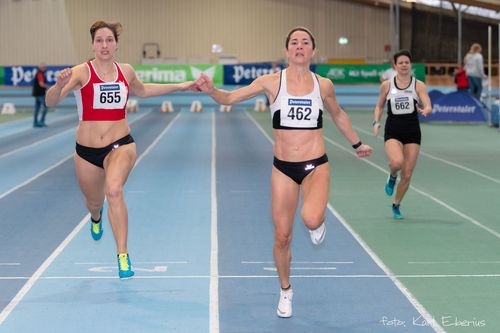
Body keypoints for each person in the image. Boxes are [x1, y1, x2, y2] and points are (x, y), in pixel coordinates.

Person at [196, 27, 372, 318]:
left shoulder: (323, 85)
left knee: (311, 217)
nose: (300, 46)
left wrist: (356, 143)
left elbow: (338, 113)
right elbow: (229, 99)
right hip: (283, 169)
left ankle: (317, 224)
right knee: (282, 236)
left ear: (312, 50)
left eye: (305, 43)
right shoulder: (271, 82)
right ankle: (286, 291)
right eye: (294, 43)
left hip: (316, 165)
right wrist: (211, 90)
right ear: (287, 50)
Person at [46, 21, 197, 280]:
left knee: (114, 191)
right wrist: (59, 86)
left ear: (116, 43)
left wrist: (181, 86)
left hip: (120, 144)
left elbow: (145, 90)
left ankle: (123, 254)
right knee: (94, 202)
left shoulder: (125, 71)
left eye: (109, 40)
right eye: (99, 41)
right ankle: (96, 217)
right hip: (87, 152)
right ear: (93, 44)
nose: (104, 45)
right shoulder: (81, 72)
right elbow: (51, 101)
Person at [373, 50, 431, 219]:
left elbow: (427, 104)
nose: (404, 65)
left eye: (407, 62)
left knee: (407, 174)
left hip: (412, 130)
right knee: (397, 162)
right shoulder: (387, 85)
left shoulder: (418, 85)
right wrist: (376, 122)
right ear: (395, 65)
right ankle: (392, 176)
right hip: (393, 129)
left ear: (410, 64)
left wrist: (426, 109)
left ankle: (396, 204)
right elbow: (379, 106)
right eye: (401, 63)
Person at [32, 63, 48, 127]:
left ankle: (35, 122)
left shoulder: (40, 73)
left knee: (37, 109)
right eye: (44, 67)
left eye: (45, 67)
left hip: (37, 93)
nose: (45, 68)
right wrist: (48, 87)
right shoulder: (40, 74)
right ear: (40, 68)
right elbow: (41, 84)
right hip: (40, 94)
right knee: (45, 108)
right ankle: (41, 122)